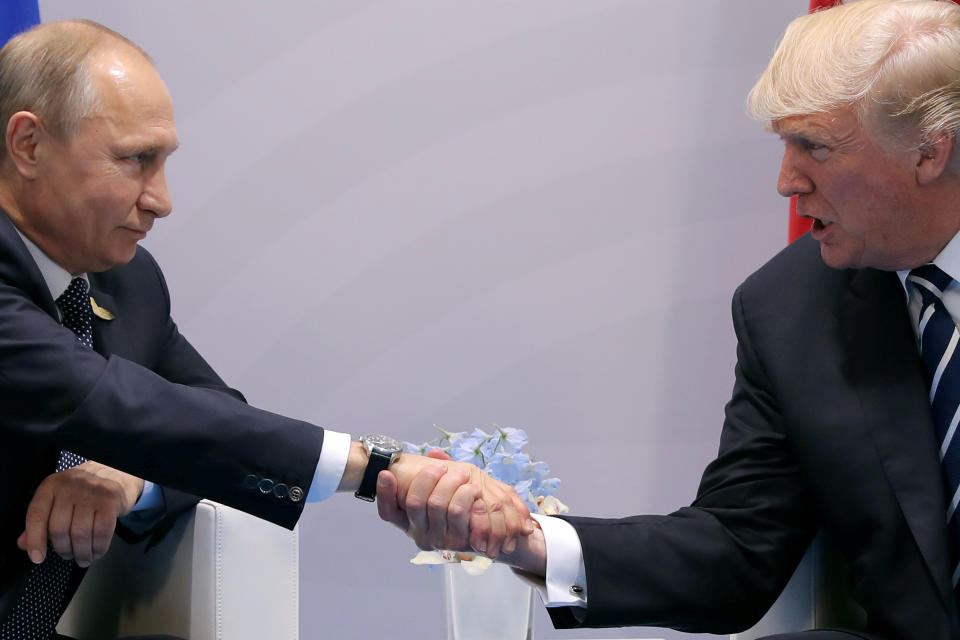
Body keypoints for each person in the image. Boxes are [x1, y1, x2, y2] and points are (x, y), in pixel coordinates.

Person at [379, 1, 960, 638]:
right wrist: (525, 539)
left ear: (930, 152)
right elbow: (737, 551)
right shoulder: (793, 306)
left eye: (813, 147)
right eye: (783, 144)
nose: (786, 182)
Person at [0, 19, 533, 640]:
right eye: (135, 160)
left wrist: (131, 480)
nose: (161, 200)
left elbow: (208, 413)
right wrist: (375, 466)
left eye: (164, 162)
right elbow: (113, 405)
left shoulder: (127, 281)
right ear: (29, 145)